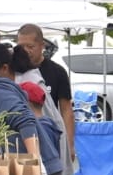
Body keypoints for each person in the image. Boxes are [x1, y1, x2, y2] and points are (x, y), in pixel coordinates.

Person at [18, 24, 75, 162]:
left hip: (50, 136)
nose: (25, 51)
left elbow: (66, 110)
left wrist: (69, 145)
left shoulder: (58, 72)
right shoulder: (14, 71)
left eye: (30, 46)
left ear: (42, 45)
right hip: (23, 139)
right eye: (21, 47)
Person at [21, 80, 64, 175]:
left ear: (25, 103)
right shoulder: (50, 124)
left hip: (47, 171)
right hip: (54, 169)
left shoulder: (38, 126)